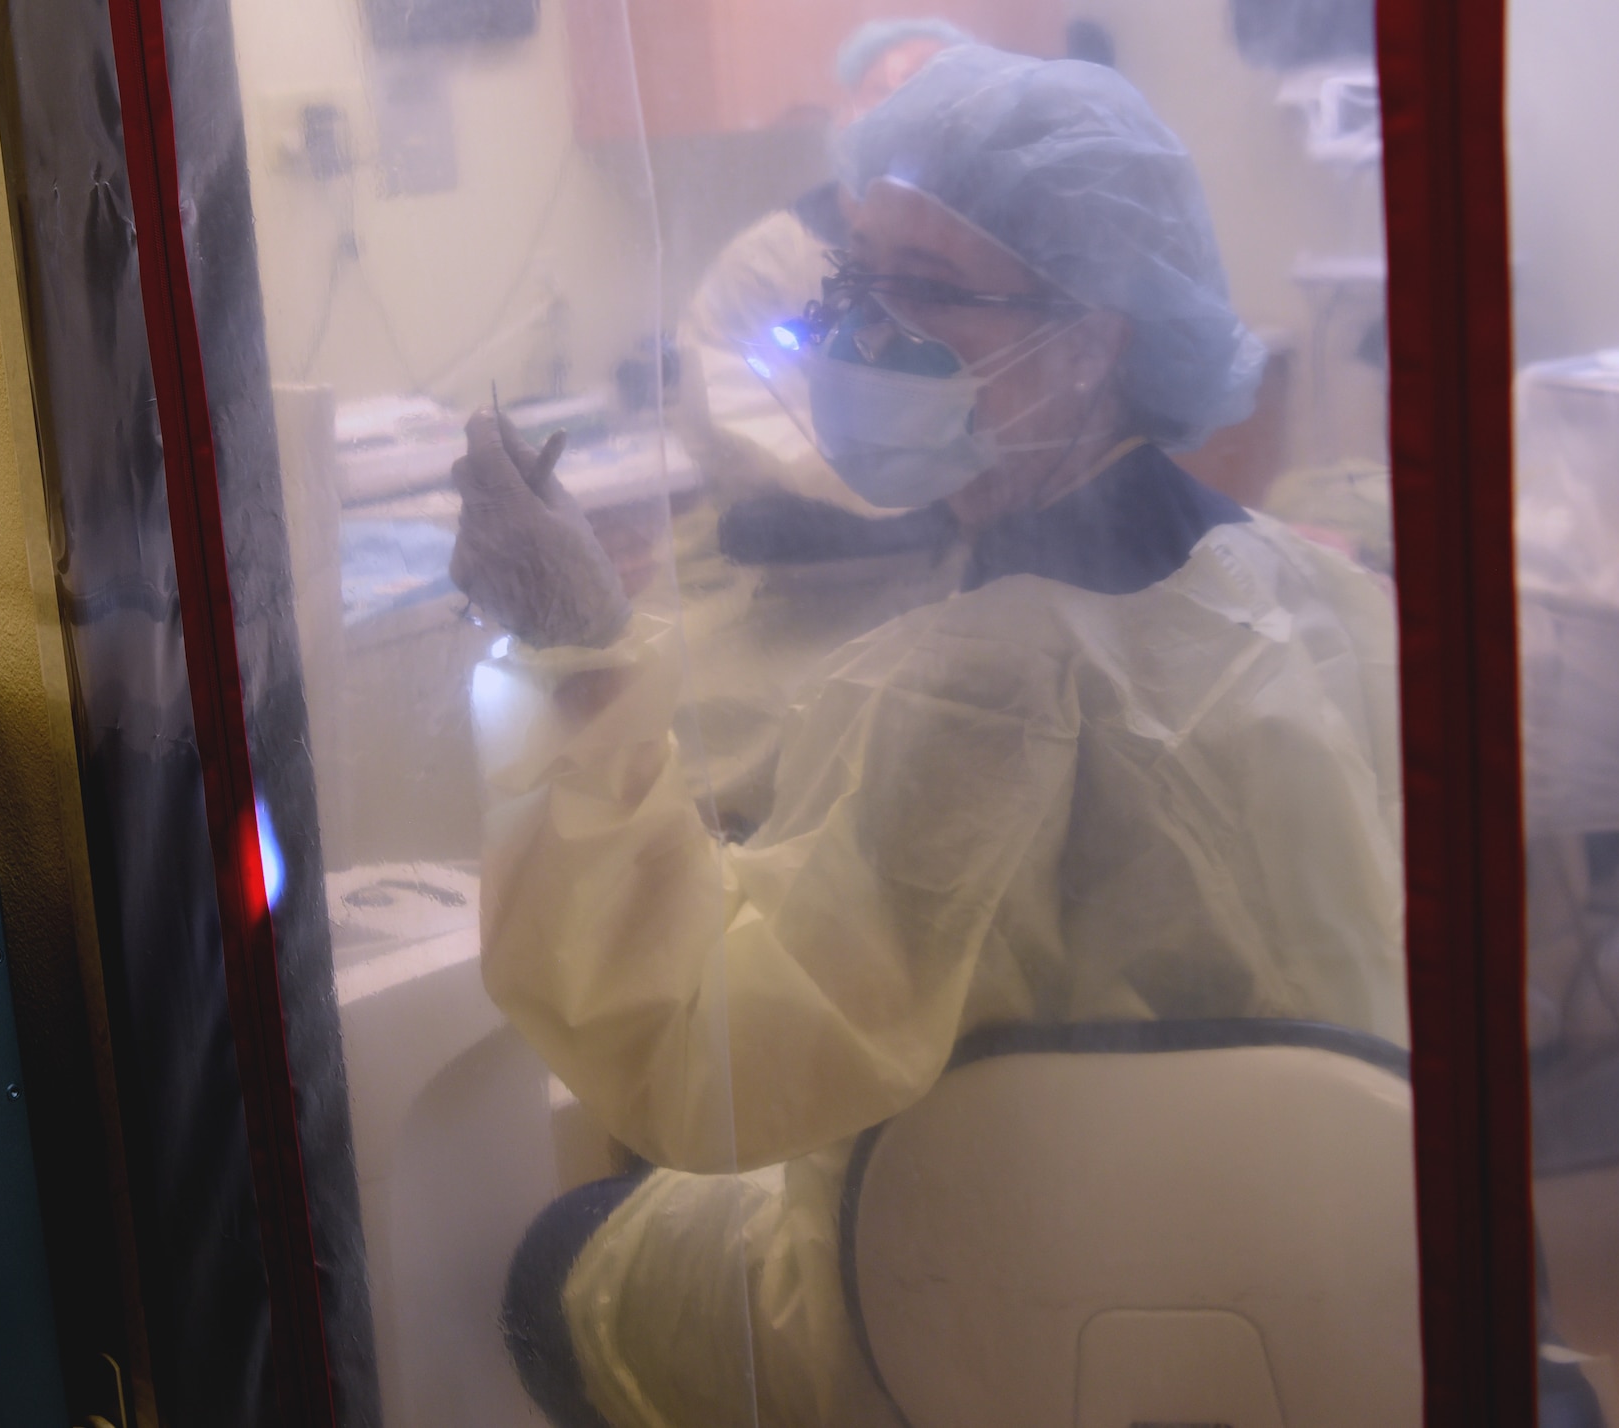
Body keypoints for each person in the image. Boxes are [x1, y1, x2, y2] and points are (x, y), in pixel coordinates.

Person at [450, 45, 1405, 1428]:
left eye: (933, 290)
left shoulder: (965, 701)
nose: (862, 339)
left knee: (557, 1253)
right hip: (1326, 1279)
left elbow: (695, 1061)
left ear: (1095, 336)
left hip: (988, 1307)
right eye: (861, 280)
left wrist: (568, 659)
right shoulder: (1316, 591)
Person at [670, 17, 976, 837]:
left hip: (940, 586)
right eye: (886, 94)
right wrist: (947, 473)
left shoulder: (992, 264)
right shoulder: (773, 261)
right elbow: (769, 435)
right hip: (784, 586)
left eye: (937, 96)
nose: (909, 115)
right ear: (845, 120)